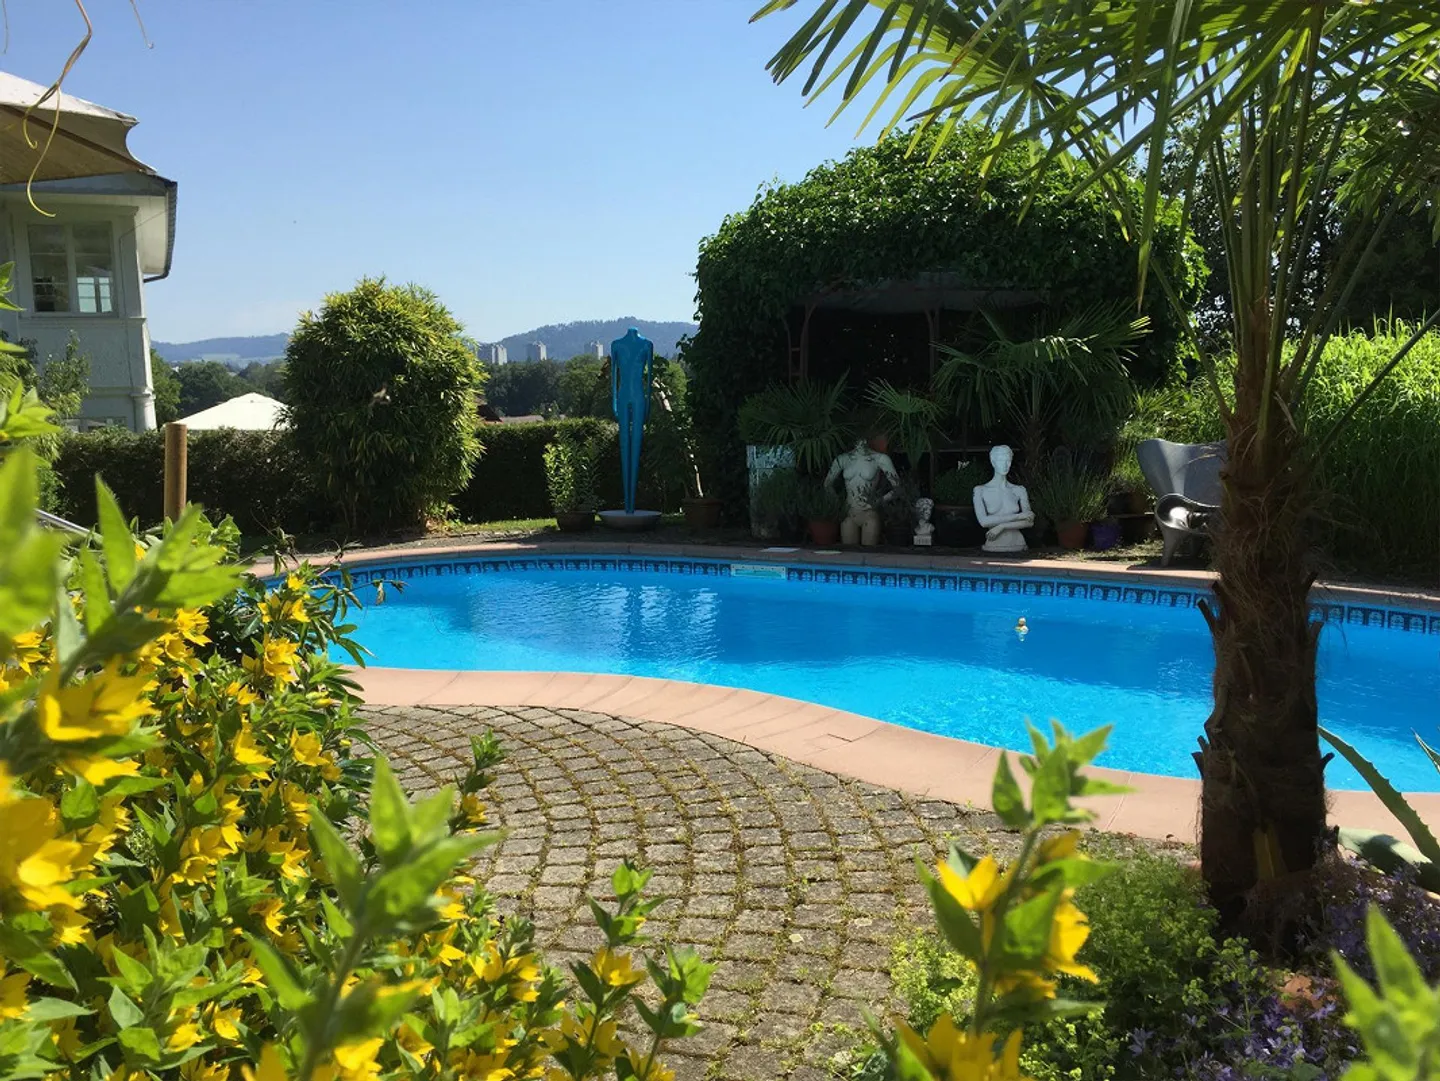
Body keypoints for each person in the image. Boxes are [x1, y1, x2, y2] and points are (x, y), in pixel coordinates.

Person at [824, 436, 900, 546]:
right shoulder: (843, 459)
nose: (861, 441)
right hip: (849, 512)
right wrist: (837, 503)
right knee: (849, 552)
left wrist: (879, 501)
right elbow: (827, 484)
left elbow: (898, 487)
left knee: (869, 552)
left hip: (869, 512)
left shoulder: (880, 458)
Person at [610, 328, 653, 514]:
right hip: (631, 396)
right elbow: (614, 377)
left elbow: (649, 378)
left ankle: (631, 503)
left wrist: (647, 405)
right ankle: (628, 503)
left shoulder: (647, 345)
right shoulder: (616, 345)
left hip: (632, 396)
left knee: (634, 444)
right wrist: (614, 403)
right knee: (625, 444)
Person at [973, 444, 1034, 553]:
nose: (1005, 465)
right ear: (993, 462)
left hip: (1018, 543)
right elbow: (983, 521)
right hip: (993, 543)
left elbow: (1029, 521)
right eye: (1001, 460)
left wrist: (1002, 526)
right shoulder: (980, 490)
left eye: (1008, 461)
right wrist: (1019, 516)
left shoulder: (1019, 490)